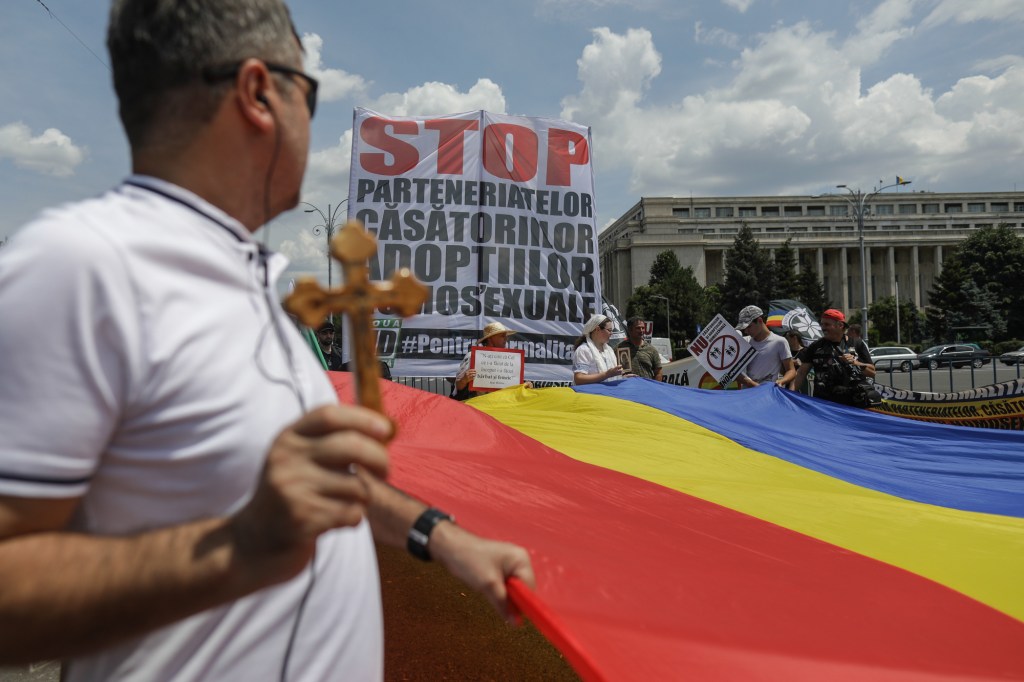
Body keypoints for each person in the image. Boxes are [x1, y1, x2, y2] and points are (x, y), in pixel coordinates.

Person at [0, 2, 532, 679]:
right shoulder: (81, 266)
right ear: (259, 94)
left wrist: (441, 537)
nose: (309, 119)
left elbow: (319, 490)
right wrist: (240, 544)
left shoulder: (256, 285)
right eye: (306, 92)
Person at [793, 309, 879, 407]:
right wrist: (789, 395)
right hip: (824, 404)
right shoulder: (816, 346)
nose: (823, 328)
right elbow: (801, 373)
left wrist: (855, 363)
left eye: (827, 324)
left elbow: (872, 372)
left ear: (840, 325)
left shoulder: (857, 344)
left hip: (853, 403)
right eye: (822, 324)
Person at [451, 321, 528, 400]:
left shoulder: (511, 359)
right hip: (479, 407)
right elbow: (458, 388)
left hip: (503, 407)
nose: (506, 339)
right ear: (490, 339)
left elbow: (514, 385)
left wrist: (524, 386)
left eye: (506, 336)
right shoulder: (473, 357)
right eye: (502, 336)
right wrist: (464, 380)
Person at [734, 305, 797, 389]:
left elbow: (791, 370)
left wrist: (781, 381)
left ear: (760, 320)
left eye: (749, 327)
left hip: (768, 393)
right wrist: (752, 384)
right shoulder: (743, 342)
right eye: (744, 328)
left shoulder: (779, 342)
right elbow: (733, 372)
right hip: (747, 394)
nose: (746, 331)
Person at [573, 314, 626, 385]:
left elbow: (611, 377)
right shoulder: (584, 350)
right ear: (598, 329)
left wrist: (623, 377)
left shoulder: (609, 350)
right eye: (609, 330)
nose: (611, 333)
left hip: (607, 393)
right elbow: (579, 379)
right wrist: (607, 374)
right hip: (590, 394)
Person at [616, 317, 663, 381]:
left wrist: (655, 388)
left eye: (643, 328)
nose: (641, 330)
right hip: (627, 388)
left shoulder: (651, 349)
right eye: (638, 328)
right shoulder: (620, 348)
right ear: (630, 330)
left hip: (646, 388)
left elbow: (658, 372)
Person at [784, 329, 812, 395]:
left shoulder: (806, 351)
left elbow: (812, 369)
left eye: (787, 338)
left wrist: (801, 364)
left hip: (802, 383)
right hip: (789, 381)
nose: (786, 341)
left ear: (794, 338)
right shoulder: (787, 352)